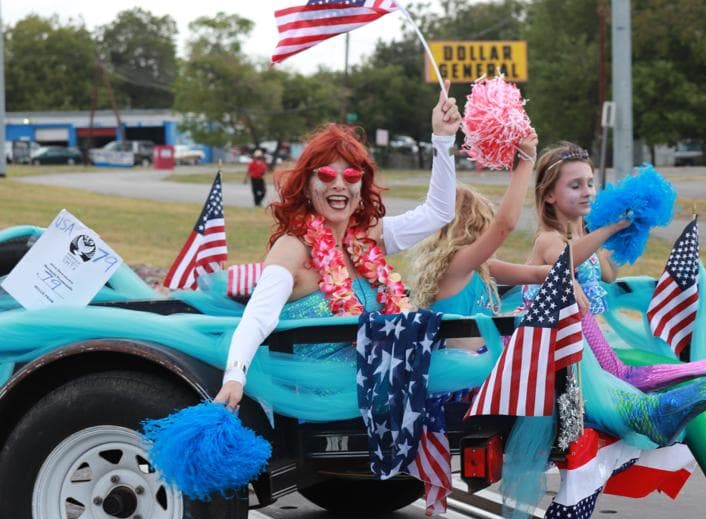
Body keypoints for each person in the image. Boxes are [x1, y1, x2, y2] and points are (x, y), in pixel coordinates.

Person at [214, 84, 462, 409]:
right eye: (327, 174)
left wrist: (442, 140)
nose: (340, 184)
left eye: (352, 175)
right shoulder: (293, 249)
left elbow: (439, 212)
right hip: (326, 408)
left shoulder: (368, 236)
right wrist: (235, 375)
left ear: (362, 185)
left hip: (382, 391)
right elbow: (258, 317)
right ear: (306, 186)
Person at [526, 142, 706, 393]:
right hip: (547, 343)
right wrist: (611, 228)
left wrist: (632, 231)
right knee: (626, 375)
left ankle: (705, 372)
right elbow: (567, 261)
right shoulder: (548, 239)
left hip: (580, 339)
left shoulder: (585, 237)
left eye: (590, 183)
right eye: (575, 186)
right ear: (549, 194)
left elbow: (607, 272)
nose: (587, 192)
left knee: (633, 368)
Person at [408, 134, 548, 349]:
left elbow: (535, 274)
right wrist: (527, 159)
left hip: (481, 361)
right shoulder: (457, 265)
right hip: (459, 372)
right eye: (484, 224)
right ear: (472, 226)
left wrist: (571, 277)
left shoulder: (480, 267)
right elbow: (505, 225)